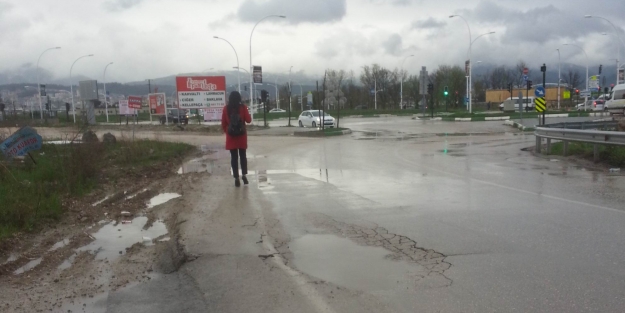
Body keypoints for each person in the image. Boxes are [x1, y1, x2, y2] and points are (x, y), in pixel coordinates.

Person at [221, 91, 252, 187]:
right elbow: (249, 120)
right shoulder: (243, 107)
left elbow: (223, 123)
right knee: (243, 156)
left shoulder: (226, 109)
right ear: (239, 98)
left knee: (234, 158)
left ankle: (236, 177)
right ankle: (244, 175)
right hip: (241, 136)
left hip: (231, 137)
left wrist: (228, 131)